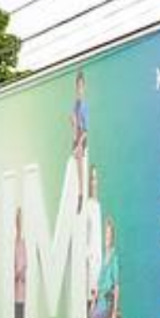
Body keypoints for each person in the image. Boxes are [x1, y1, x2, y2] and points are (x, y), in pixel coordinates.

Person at [86, 216, 119, 318]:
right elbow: (98, 286)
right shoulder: (102, 259)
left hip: (107, 303)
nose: (106, 238)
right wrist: (93, 299)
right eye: (105, 235)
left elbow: (117, 286)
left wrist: (114, 312)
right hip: (98, 301)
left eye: (109, 235)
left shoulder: (114, 259)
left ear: (112, 238)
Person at [83, 165, 103, 318]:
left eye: (96, 179)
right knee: (87, 315)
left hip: (97, 272)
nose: (94, 182)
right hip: (88, 271)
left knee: (95, 317)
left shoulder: (97, 206)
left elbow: (98, 242)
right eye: (91, 179)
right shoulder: (87, 206)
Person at [71, 70, 88, 214]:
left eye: (82, 86)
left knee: (80, 166)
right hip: (76, 137)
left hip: (82, 138)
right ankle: (79, 192)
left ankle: (81, 194)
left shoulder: (84, 106)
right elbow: (73, 123)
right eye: (78, 86)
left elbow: (86, 130)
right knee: (76, 165)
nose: (80, 89)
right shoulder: (75, 105)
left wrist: (79, 144)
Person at [13, 208, 26, 318]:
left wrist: (19, 274)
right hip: (11, 295)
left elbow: (25, 268)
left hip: (21, 295)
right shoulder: (11, 244)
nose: (18, 222)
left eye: (20, 219)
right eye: (17, 219)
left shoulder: (23, 244)